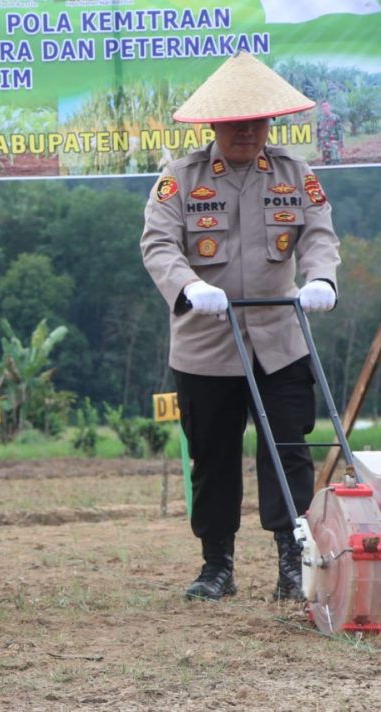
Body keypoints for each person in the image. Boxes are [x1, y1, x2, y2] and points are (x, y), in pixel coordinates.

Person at [141, 52, 340, 603]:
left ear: (269, 124)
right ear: (215, 125)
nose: (247, 132)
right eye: (236, 123)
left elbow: (319, 233)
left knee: (288, 447)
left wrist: (322, 278)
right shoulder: (179, 179)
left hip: (280, 336)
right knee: (213, 454)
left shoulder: (295, 174)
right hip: (207, 343)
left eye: (257, 122)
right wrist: (187, 286)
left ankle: (292, 560)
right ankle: (217, 566)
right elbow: (157, 245)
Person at [316, 101, 344, 165]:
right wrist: (318, 145)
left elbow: (340, 132)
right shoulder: (320, 120)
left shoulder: (335, 118)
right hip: (325, 147)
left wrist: (341, 146)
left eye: (326, 106)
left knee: (336, 163)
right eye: (323, 106)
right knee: (327, 164)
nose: (324, 108)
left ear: (329, 107)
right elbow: (318, 133)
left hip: (334, 146)